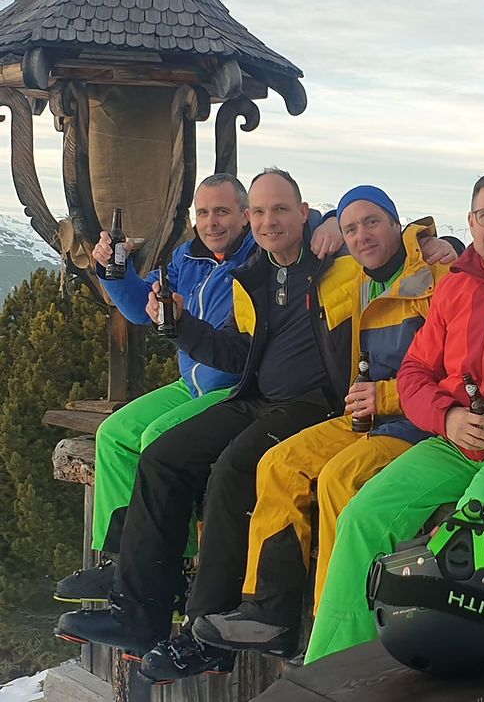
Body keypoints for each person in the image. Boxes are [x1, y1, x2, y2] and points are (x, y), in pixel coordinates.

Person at [53, 168, 361, 677]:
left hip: (314, 405)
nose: (268, 221)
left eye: (280, 210)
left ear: (304, 214)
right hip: (255, 396)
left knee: (231, 471)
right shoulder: (255, 274)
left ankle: (205, 633)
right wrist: (181, 327)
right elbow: (238, 352)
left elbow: (388, 236)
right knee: (163, 456)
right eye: (260, 212)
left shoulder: (336, 262)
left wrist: (341, 212)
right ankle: (138, 615)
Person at [304, 168, 484, 663]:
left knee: (465, 532)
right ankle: (332, 666)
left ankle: (430, 661)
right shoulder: (458, 285)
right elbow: (415, 371)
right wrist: (448, 416)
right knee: (362, 516)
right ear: (471, 221)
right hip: (452, 440)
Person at [188, 185, 453, 659]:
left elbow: (456, 365)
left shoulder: (437, 276)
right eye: (351, 228)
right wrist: (329, 221)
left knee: (337, 479)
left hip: (419, 422)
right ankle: (269, 614)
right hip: (364, 415)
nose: (362, 235)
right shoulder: (356, 279)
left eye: (373, 222)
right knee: (278, 464)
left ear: (397, 223)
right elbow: (305, 242)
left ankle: (331, 631)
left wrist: (443, 243)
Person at [54, 174, 257, 603]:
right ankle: (121, 560)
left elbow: (308, 223)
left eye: (222, 211)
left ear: (245, 214)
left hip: (237, 390)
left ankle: (171, 567)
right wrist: (114, 272)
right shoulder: (188, 258)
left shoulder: (260, 258)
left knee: (158, 438)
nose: (211, 222)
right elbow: (142, 310)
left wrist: (330, 222)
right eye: (204, 212)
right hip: (191, 384)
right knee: (114, 434)